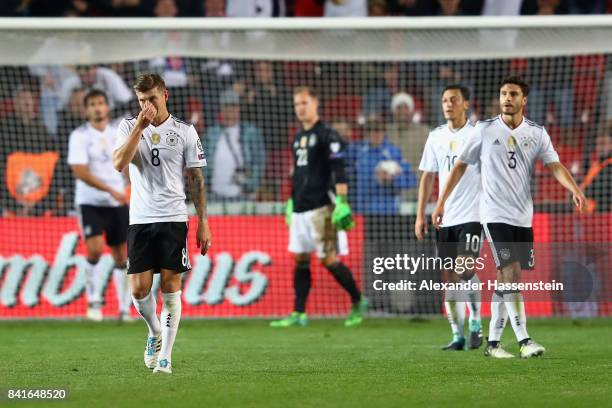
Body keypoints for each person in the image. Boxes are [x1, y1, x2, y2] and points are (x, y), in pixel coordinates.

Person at [432, 76, 587, 358]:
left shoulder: (536, 133)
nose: (507, 98)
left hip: (522, 216)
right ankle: (524, 341)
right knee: (511, 272)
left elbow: (554, 165)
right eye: (503, 93)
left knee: (507, 277)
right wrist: (441, 202)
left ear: (523, 100)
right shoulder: (484, 130)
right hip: (492, 213)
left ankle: (492, 344)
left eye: (513, 94)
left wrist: (575, 189)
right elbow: (460, 167)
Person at [113, 73, 211, 374]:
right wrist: (140, 128)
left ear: (164, 95)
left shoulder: (184, 131)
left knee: (170, 288)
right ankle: (155, 332)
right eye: (142, 101)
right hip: (141, 218)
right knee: (139, 291)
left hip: (173, 218)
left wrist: (203, 222)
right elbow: (119, 163)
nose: (147, 106)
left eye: (152, 99)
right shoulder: (129, 126)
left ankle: (165, 357)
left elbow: (196, 179)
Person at [270, 86, 367, 328]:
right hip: (300, 207)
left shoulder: (327, 135)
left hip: (322, 207)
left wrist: (342, 202)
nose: (300, 108)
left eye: (304, 103)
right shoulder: (296, 138)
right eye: (297, 104)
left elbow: (339, 170)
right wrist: (291, 200)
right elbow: (297, 172)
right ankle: (299, 313)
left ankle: (357, 300)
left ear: (316, 103)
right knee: (301, 258)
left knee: (329, 260)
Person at [415, 84, 483, 351]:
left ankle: (476, 322)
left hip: (473, 214)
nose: (448, 104)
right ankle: (457, 335)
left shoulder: (478, 134)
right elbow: (428, 176)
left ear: (465, 104)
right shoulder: (436, 136)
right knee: (449, 276)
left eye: (454, 100)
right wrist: (420, 214)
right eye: (444, 100)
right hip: (445, 216)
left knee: (464, 268)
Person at [67, 89, 132, 322]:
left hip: (117, 202)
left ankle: (124, 308)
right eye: (92, 104)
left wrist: (127, 186)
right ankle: (94, 302)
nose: (97, 108)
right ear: (86, 110)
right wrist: (110, 190)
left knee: (121, 255)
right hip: (90, 201)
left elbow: (128, 164)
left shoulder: (118, 133)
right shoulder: (79, 136)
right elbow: (79, 171)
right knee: (94, 249)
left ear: (107, 107)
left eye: (101, 103)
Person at [346, 116, 416, 215]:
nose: (376, 134)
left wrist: (391, 179)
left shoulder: (393, 153)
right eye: (373, 130)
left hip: (388, 212)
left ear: (384, 132)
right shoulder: (357, 151)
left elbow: (411, 180)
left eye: (380, 130)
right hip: (362, 212)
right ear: (368, 133)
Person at [206, 89, 265, 201]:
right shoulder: (211, 133)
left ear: (239, 109)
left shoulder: (250, 132)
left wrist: (251, 185)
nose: (230, 110)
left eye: (233, 106)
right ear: (221, 110)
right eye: (226, 107)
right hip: (214, 196)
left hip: (242, 196)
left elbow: (259, 162)